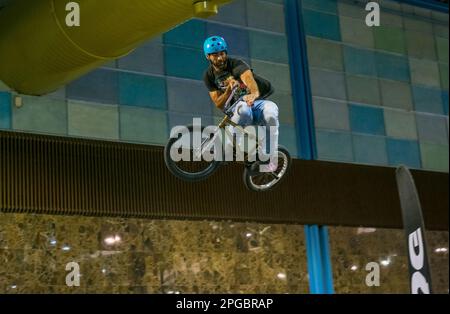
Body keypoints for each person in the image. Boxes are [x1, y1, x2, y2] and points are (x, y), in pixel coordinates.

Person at [202, 36, 279, 172]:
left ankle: (265, 154)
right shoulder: (209, 76)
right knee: (242, 108)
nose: (220, 58)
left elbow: (248, 78)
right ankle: (229, 149)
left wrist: (254, 93)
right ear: (208, 57)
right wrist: (228, 91)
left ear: (226, 53)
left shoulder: (236, 64)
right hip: (238, 109)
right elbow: (219, 103)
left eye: (222, 54)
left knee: (272, 112)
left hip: (256, 103)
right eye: (215, 55)